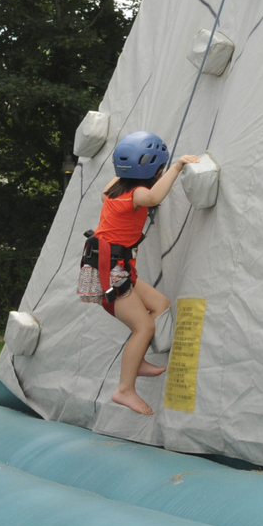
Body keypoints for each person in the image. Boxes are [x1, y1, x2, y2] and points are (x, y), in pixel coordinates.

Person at [89, 130, 198, 415]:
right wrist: (177, 166)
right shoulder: (138, 193)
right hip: (110, 272)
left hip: (118, 268)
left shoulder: (113, 189)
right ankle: (124, 389)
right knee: (145, 327)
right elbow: (153, 196)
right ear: (155, 169)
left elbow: (122, 186)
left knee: (160, 305)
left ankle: (135, 363)